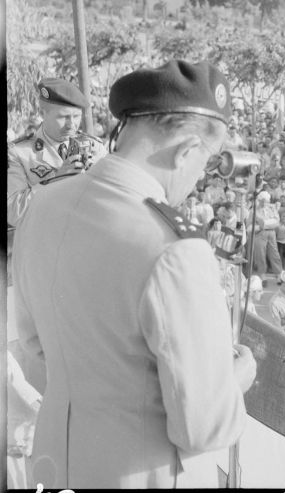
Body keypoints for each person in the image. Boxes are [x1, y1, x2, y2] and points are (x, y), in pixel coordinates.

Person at [12, 60, 256, 488]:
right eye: (206, 162)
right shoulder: (176, 247)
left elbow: (35, 349)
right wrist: (235, 379)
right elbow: (203, 428)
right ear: (185, 151)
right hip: (135, 474)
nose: (200, 179)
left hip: (51, 462)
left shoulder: (43, 206)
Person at [7, 78, 106, 227]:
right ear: (43, 113)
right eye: (63, 117)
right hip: (45, 243)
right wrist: (57, 179)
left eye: (76, 116)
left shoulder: (95, 147)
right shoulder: (18, 153)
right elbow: (14, 213)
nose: (71, 125)